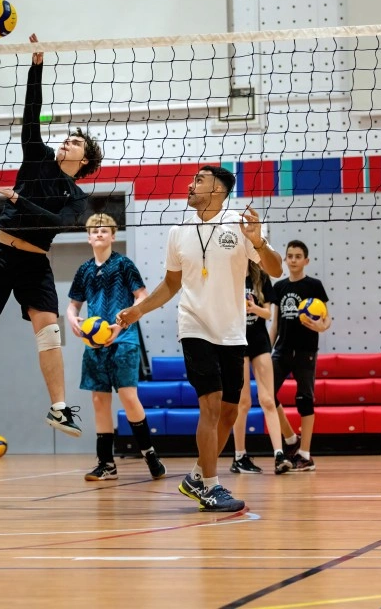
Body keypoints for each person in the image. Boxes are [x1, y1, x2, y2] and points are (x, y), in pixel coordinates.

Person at [0, 35, 103, 437]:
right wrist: (36, 69)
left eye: (74, 142)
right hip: (0, 254)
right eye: (66, 138)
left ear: (83, 160)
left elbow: (56, 222)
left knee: (48, 329)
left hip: (34, 261)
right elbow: (30, 115)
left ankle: (60, 408)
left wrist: (18, 199)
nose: (65, 142)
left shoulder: (77, 196)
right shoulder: (36, 156)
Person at [116, 166, 283, 512]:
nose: (191, 186)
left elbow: (276, 269)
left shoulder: (243, 224)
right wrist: (138, 310)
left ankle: (196, 476)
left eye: (199, 181)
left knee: (229, 410)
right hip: (194, 326)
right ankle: (211, 485)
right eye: (192, 180)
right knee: (211, 402)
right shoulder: (178, 232)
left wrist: (258, 242)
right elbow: (171, 284)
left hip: (233, 330)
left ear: (219, 190)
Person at [66, 214, 166, 481]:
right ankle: (106, 464)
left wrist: (120, 324)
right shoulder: (84, 269)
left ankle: (150, 455)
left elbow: (142, 297)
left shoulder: (124, 264)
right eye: (94, 230)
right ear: (88, 237)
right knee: (99, 400)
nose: (99, 234)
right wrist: (72, 318)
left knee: (128, 397)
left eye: (104, 230)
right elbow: (74, 304)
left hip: (124, 339)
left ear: (113, 235)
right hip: (94, 343)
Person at [229, 261, 298, 474]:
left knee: (268, 399)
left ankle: (279, 454)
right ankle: (239, 456)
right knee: (243, 402)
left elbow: (268, 314)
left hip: (259, 341)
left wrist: (253, 307)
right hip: (236, 342)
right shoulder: (229, 274)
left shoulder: (261, 277)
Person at [269, 240, 331, 473]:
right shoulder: (280, 287)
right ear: (285, 260)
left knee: (304, 399)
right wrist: (267, 349)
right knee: (268, 395)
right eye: (290, 256)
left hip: (305, 351)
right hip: (281, 350)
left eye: (298, 256)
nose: (293, 260)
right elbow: (275, 323)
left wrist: (321, 327)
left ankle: (304, 454)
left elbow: (326, 318)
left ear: (306, 260)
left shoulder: (314, 285)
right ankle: (290, 438)